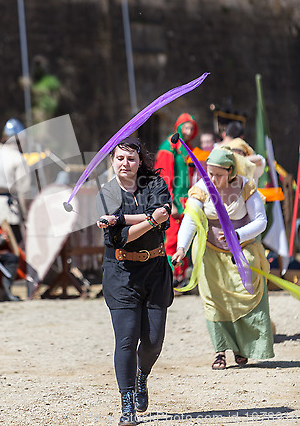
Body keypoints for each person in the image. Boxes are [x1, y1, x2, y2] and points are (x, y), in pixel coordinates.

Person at [172, 147, 274, 370]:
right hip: (210, 253)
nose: (213, 178)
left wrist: (237, 235)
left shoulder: (246, 186)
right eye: (209, 173)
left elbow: (260, 221)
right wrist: (181, 248)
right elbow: (189, 220)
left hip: (242, 251)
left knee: (245, 296)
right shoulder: (201, 188)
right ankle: (220, 351)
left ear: (231, 171)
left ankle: (243, 348)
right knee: (215, 303)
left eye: (218, 174)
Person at [96, 137, 173, 426]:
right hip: (121, 273)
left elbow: (164, 214)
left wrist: (122, 218)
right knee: (126, 340)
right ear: (112, 162)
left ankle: (143, 377)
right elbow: (119, 237)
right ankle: (126, 402)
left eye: (130, 158)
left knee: (153, 342)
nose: (125, 164)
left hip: (155, 270)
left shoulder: (154, 184)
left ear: (140, 161)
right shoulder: (106, 193)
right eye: (119, 158)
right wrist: (149, 220)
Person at [155, 113, 198, 285]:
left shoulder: (187, 149)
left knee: (184, 240)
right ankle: (169, 277)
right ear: (178, 127)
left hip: (186, 201)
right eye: (186, 127)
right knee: (171, 239)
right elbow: (163, 178)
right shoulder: (168, 148)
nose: (188, 132)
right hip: (174, 203)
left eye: (192, 129)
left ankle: (180, 276)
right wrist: (169, 202)